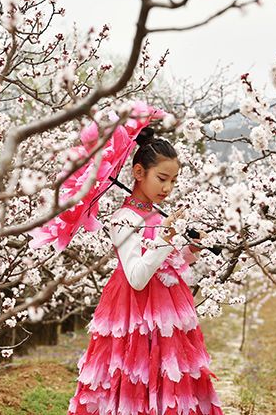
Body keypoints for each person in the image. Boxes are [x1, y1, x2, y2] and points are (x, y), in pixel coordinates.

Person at [68, 127, 224, 415]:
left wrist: (191, 250)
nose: (167, 188)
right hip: (133, 312)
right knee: (136, 376)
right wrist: (165, 238)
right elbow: (138, 277)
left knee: (169, 377)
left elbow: (167, 266)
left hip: (166, 314)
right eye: (161, 179)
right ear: (138, 173)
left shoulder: (156, 216)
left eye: (173, 181)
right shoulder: (123, 219)